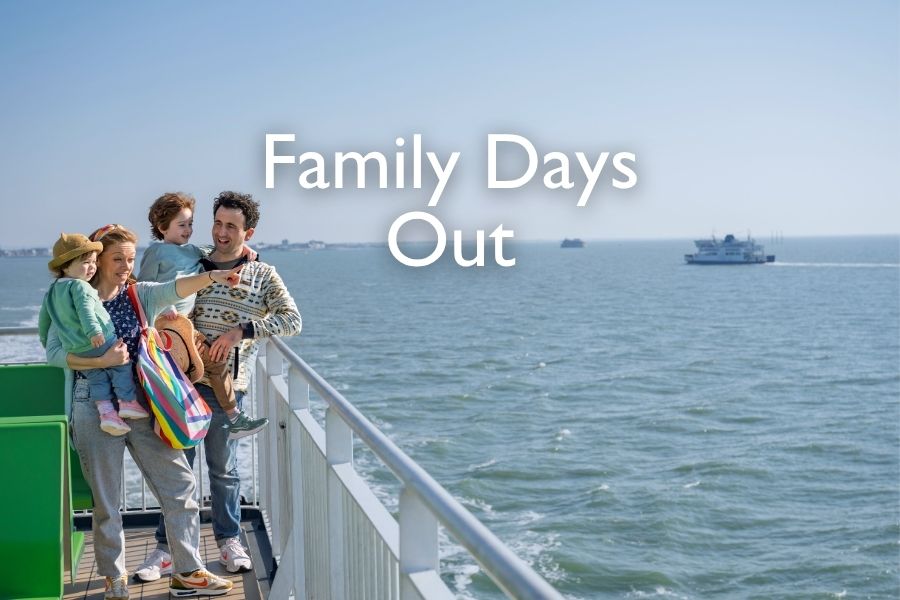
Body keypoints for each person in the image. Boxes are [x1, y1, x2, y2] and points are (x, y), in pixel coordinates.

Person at [44, 224, 238, 599]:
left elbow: (176, 288)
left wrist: (213, 275)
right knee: (107, 501)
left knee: (180, 484)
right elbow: (53, 354)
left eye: (131, 259)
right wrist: (101, 359)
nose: (125, 266)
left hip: (142, 403)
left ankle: (188, 571)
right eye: (118, 259)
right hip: (91, 403)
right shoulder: (68, 299)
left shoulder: (138, 295)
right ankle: (114, 578)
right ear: (95, 260)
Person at [136, 191, 301, 582]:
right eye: (218, 223)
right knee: (178, 470)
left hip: (228, 386)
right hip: (179, 382)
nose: (222, 232)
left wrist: (242, 331)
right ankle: (166, 548)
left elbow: (292, 320)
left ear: (249, 231)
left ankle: (229, 541)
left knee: (223, 470)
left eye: (232, 226)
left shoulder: (263, 274)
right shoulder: (194, 260)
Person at [138, 191, 268, 440]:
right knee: (179, 375)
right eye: (181, 225)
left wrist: (245, 248)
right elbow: (143, 287)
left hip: (185, 325)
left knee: (212, 366)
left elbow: (217, 250)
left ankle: (233, 417)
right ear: (162, 227)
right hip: (168, 323)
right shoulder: (157, 252)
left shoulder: (194, 251)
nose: (188, 230)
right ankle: (166, 421)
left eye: (190, 224)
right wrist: (164, 308)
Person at [39, 233, 148, 435]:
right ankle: (127, 402)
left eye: (92, 262)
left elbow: (44, 320)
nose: (91, 267)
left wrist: (45, 340)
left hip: (77, 348)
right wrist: (95, 331)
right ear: (65, 266)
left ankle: (107, 414)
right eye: (85, 263)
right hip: (99, 340)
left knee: (97, 377)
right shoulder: (81, 286)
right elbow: (85, 311)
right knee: (121, 364)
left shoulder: (52, 290)